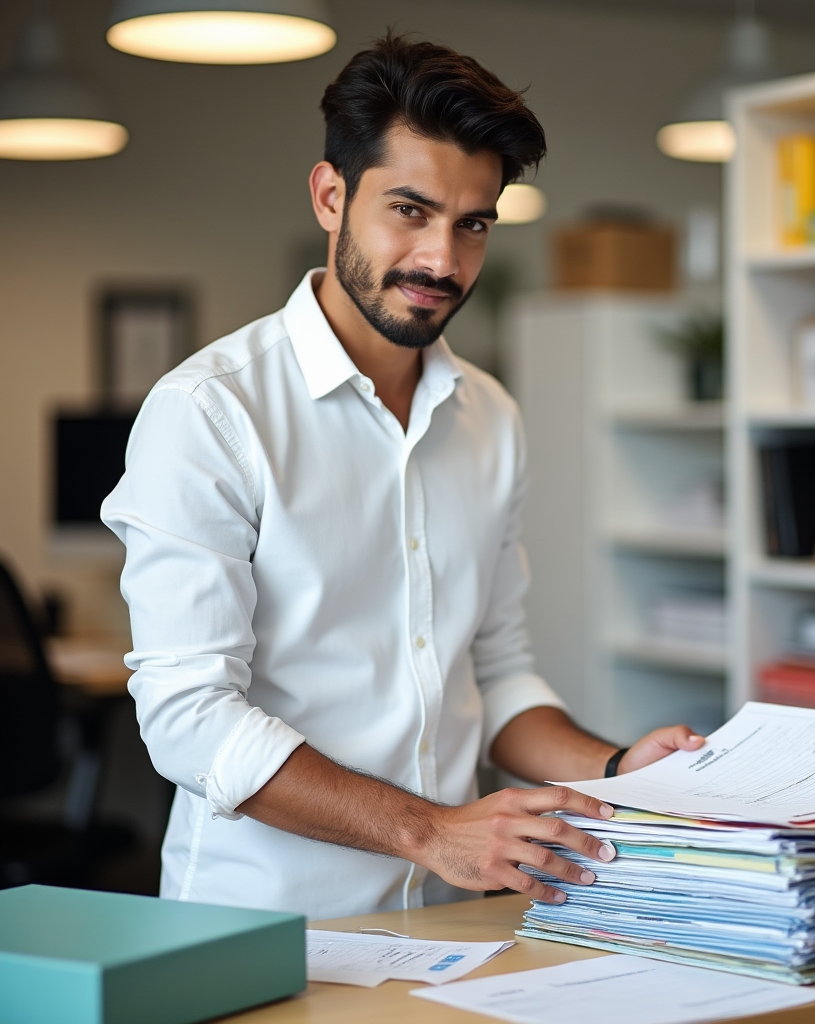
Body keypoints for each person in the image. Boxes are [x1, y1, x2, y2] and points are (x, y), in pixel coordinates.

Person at [101, 32, 704, 921]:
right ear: (331, 195)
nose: (441, 261)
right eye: (410, 211)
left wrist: (618, 770)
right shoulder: (210, 412)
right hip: (262, 928)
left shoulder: (490, 415)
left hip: (453, 924)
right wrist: (434, 833)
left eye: (472, 224)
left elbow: (495, 674)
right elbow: (190, 716)